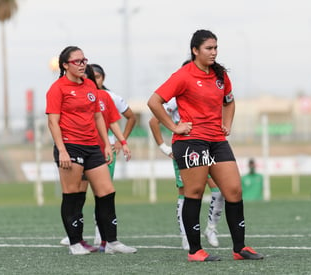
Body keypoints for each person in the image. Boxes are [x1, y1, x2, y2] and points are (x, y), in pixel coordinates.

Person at [147, 30, 264, 262]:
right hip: (191, 141)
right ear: (195, 50)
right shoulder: (183, 75)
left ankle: (239, 248)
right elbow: (154, 102)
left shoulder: (220, 75)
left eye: (216, 47)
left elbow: (229, 102)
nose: (214, 52)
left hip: (217, 141)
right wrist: (174, 126)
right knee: (195, 192)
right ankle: (195, 251)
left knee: (233, 190)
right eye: (209, 48)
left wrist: (226, 125)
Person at [46, 46, 136, 255]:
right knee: (74, 195)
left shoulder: (89, 85)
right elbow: (53, 122)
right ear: (65, 65)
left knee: (107, 191)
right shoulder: (57, 88)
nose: (82, 64)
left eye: (84, 60)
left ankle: (111, 241)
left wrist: (106, 144)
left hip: (92, 147)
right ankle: (75, 243)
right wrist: (62, 151)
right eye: (77, 61)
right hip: (70, 146)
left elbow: (98, 117)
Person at [149, 97, 224, 250]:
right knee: (186, 192)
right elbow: (153, 121)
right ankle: (185, 236)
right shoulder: (177, 100)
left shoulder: (207, 93)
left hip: (208, 145)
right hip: (186, 149)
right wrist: (164, 148)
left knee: (220, 189)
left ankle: (211, 228)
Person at [90, 63, 137, 246]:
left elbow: (130, 117)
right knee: (77, 191)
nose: (94, 80)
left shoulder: (111, 97)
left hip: (105, 148)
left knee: (102, 192)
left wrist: (121, 140)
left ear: (103, 78)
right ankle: (74, 232)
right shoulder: (81, 95)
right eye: (91, 76)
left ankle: (100, 234)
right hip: (84, 147)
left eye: (98, 77)